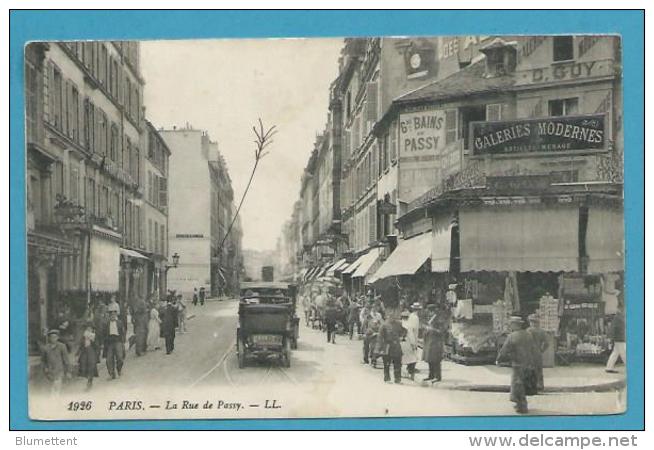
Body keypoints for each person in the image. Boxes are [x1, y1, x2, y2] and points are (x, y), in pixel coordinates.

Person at [496, 316, 539, 414]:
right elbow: (534, 349)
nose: (510, 326)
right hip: (528, 363)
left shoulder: (512, 336)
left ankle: (522, 406)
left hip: (517, 364)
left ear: (515, 325)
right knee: (523, 384)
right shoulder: (528, 335)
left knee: (517, 385)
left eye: (511, 324)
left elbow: (504, 350)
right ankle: (520, 404)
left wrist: (499, 360)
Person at [41, 329, 70, 396]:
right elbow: (43, 360)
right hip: (49, 372)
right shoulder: (45, 348)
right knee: (50, 390)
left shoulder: (62, 346)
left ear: (57, 338)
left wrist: (68, 371)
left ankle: (56, 403)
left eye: (55, 337)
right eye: (51, 337)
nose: (53, 339)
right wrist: (45, 368)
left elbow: (66, 359)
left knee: (57, 390)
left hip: (59, 370)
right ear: (49, 338)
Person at [378, 312, 404, 384]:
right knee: (386, 363)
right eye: (390, 316)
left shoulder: (398, 324)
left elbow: (404, 331)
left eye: (393, 317)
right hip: (387, 346)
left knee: (398, 363)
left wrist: (402, 337)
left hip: (396, 346)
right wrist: (380, 348)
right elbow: (380, 337)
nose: (392, 318)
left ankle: (397, 379)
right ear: (387, 317)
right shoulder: (384, 325)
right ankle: (387, 378)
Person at [422, 304, 444, 383]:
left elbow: (441, 331)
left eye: (429, 311)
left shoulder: (439, 319)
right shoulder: (430, 319)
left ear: (432, 311)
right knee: (429, 359)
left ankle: (437, 376)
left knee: (436, 359)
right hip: (429, 341)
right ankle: (431, 375)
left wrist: (431, 329)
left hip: (436, 342)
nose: (428, 313)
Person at [527, 314, 549, 392]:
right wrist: (541, 350)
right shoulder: (542, 331)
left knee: (530, 369)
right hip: (538, 352)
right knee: (539, 369)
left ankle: (532, 386)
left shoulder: (528, 331)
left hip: (530, 352)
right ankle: (540, 386)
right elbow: (547, 343)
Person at [103, 310, 126, 380]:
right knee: (109, 359)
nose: (113, 317)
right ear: (109, 316)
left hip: (118, 341)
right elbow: (104, 334)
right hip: (110, 342)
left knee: (120, 358)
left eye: (114, 315)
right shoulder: (107, 324)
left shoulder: (119, 323)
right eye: (111, 315)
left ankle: (119, 369)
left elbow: (123, 332)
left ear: (116, 316)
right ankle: (111, 374)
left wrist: (123, 342)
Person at [76, 325, 99, 390]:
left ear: (92, 330)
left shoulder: (94, 336)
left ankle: (90, 380)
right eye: (87, 329)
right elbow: (80, 345)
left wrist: (92, 340)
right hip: (84, 352)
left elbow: (97, 346)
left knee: (91, 365)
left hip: (91, 351)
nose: (89, 330)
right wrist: (77, 353)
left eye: (90, 329)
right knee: (83, 364)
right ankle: (86, 376)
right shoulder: (83, 336)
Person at [606, 305, 626, 373]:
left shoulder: (619, 317)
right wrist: (611, 337)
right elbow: (613, 328)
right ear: (619, 309)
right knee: (624, 353)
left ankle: (609, 367)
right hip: (620, 338)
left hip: (619, 338)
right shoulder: (618, 317)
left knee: (615, 353)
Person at [400, 310, 418, 380]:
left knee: (400, 359)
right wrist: (414, 345)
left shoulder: (399, 324)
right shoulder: (409, 325)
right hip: (407, 344)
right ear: (408, 317)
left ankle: (400, 373)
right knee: (412, 358)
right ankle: (411, 372)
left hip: (400, 344)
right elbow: (411, 336)